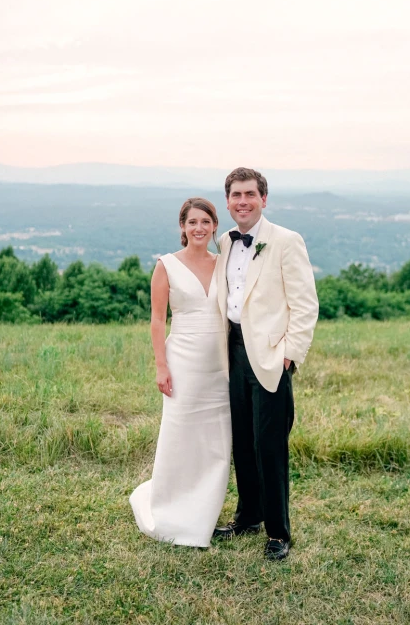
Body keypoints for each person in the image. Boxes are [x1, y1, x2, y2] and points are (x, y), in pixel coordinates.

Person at [213, 167, 319, 560]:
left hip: (272, 356)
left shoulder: (286, 241)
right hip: (233, 352)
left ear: (263, 199)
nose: (242, 201)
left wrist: (290, 354)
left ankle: (278, 532)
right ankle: (248, 517)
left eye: (250, 195)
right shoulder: (224, 241)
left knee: (269, 445)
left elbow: (305, 303)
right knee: (242, 440)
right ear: (227, 201)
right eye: (236, 195)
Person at [130, 197, 232, 547]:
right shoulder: (167, 265)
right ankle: (172, 508)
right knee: (181, 433)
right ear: (183, 228)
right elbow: (158, 319)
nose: (199, 228)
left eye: (206, 221)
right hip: (183, 361)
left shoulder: (225, 263)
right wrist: (162, 366)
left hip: (219, 365)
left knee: (216, 440)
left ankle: (205, 509)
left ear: (215, 225)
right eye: (192, 222)